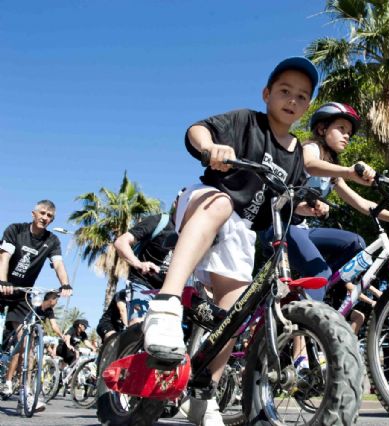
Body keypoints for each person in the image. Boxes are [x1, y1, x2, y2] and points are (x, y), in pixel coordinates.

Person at [142, 56, 324, 425]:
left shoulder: (296, 155)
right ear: (267, 93)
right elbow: (197, 129)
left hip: (242, 232)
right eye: (284, 91)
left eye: (302, 96)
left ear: (307, 106)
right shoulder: (247, 120)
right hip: (206, 203)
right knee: (223, 202)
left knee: (233, 314)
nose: (292, 100)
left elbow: (287, 198)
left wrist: (309, 206)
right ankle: (165, 305)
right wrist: (212, 147)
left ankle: (202, 392)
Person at [262, 102, 389, 337]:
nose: (346, 136)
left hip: (301, 230)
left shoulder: (333, 171)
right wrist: (349, 171)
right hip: (277, 227)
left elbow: (362, 203)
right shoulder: (310, 147)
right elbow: (310, 165)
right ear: (322, 129)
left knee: (355, 243)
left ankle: (315, 286)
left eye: (349, 133)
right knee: (320, 271)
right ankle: (311, 326)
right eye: (341, 129)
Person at [0, 200, 73, 409]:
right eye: (42, 213)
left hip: (21, 295)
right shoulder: (16, 230)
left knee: (27, 344)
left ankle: (27, 392)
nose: (45, 218)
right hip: (2, 285)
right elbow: (4, 257)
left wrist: (65, 284)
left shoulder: (52, 241)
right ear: (33, 213)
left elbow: (58, 263)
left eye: (50, 216)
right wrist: (3, 281)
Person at [97, 193, 181, 341]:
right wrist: (138, 263)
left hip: (170, 293)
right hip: (143, 285)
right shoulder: (159, 221)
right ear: (176, 203)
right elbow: (121, 242)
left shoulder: (192, 233)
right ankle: (125, 361)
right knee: (138, 329)